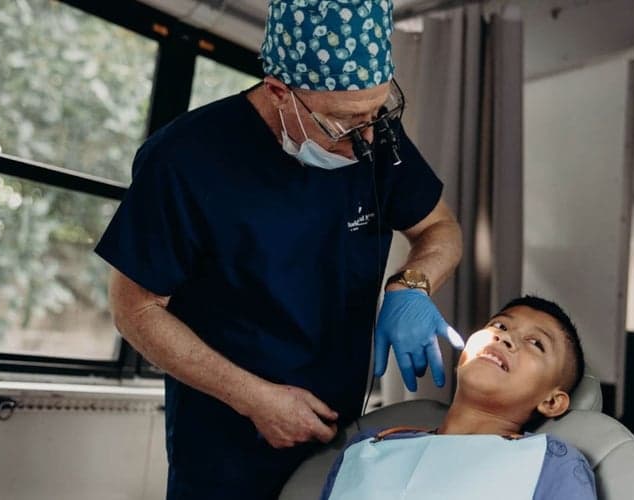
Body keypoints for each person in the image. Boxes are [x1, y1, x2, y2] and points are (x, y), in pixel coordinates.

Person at [95, 0, 463, 497]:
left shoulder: (374, 133)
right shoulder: (183, 160)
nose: (367, 140)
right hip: (227, 446)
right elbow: (135, 310)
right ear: (278, 92)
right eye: (343, 124)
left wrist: (411, 285)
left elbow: (440, 227)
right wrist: (255, 399)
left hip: (336, 439)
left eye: (378, 113)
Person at [320, 295, 597, 499]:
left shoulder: (552, 464)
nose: (505, 338)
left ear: (552, 402)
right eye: (500, 326)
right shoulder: (367, 447)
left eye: (536, 343)